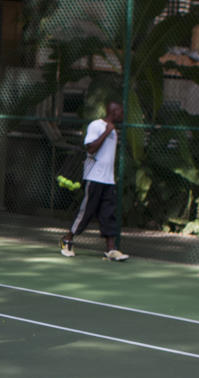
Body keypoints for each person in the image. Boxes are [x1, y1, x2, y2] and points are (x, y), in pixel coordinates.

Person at [59, 101, 130, 262]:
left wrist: (110, 131)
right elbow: (90, 148)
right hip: (94, 178)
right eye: (121, 112)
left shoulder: (114, 131)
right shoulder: (97, 126)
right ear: (114, 111)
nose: (123, 115)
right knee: (86, 212)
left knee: (108, 214)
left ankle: (111, 249)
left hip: (108, 180)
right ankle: (67, 239)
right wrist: (106, 132)